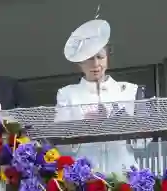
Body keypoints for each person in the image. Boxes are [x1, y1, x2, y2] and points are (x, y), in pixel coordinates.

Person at [55, 19, 146, 174]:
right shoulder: (67, 94)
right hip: (86, 178)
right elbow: (60, 144)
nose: (96, 64)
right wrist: (84, 126)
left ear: (107, 57)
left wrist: (127, 126)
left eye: (100, 56)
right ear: (80, 63)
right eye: (90, 58)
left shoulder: (130, 91)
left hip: (124, 176)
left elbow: (143, 143)